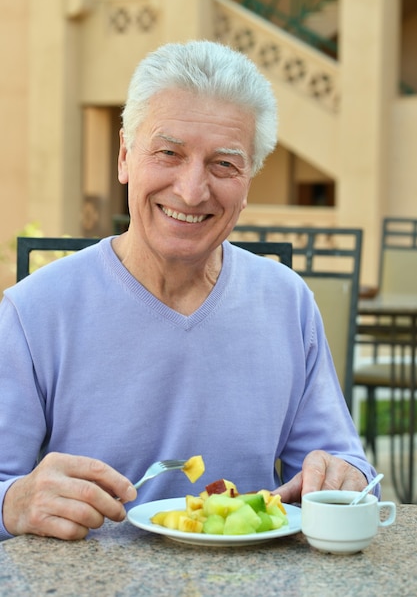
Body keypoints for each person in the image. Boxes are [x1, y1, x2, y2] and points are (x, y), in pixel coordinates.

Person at [0, 40, 377, 541]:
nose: (192, 190)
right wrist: (13, 501)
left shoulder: (287, 301)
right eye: (169, 153)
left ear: (248, 184)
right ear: (125, 157)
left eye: (224, 164)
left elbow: (351, 471)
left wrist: (343, 476)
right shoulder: (35, 309)